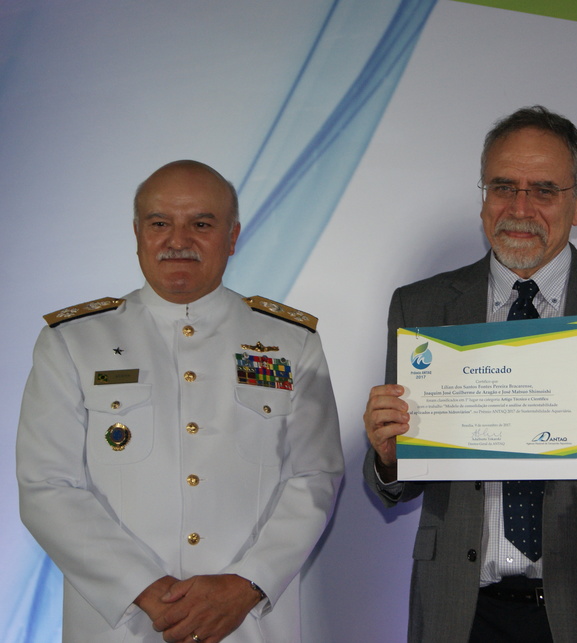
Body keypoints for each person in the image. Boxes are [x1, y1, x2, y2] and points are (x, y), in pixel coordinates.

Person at [363, 106, 577, 643]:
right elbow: (399, 481)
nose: (520, 207)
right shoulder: (420, 307)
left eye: (544, 190)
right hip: (461, 612)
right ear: (483, 197)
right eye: (503, 187)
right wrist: (388, 457)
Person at [16, 160, 344, 643]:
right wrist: (146, 590)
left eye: (201, 224)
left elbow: (315, 476)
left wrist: (243, 584)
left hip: (245, 624)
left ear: (232, 238)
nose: (178, 240)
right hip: (123, 624)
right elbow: (46, 485)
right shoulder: (73, 341)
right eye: (160, 223)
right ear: (137, 234)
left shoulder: (288, 341)